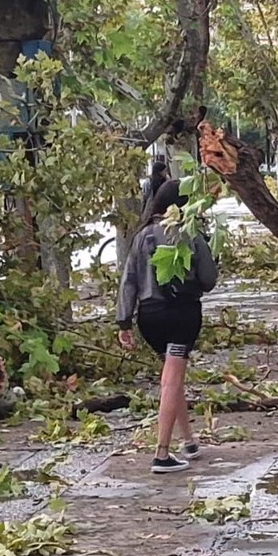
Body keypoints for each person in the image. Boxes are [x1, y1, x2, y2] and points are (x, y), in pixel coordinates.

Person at [116, 179, 219, 473]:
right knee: (171, 382)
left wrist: (124, 321)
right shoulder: (190, 233)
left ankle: (189, 441)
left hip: (149, 318)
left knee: (172, 379)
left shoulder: (143, 235)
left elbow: (129, 281)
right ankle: (161, 453)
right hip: (181, 315)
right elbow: (209, 279)